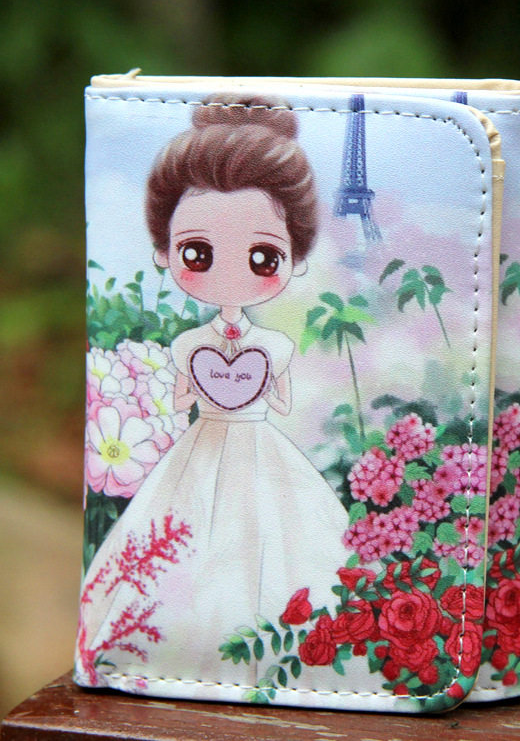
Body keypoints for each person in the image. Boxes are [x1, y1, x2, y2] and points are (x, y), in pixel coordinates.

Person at [75, 94, 352, 692]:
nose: (229, 272)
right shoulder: (209, 346)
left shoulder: (252, 347)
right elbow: (262, 403)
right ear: (164, 251)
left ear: (297, 257)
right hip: (220, 443)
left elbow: (187, 402)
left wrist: (213, 387)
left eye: (262, 257)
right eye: (197, 253)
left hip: (234, 443)